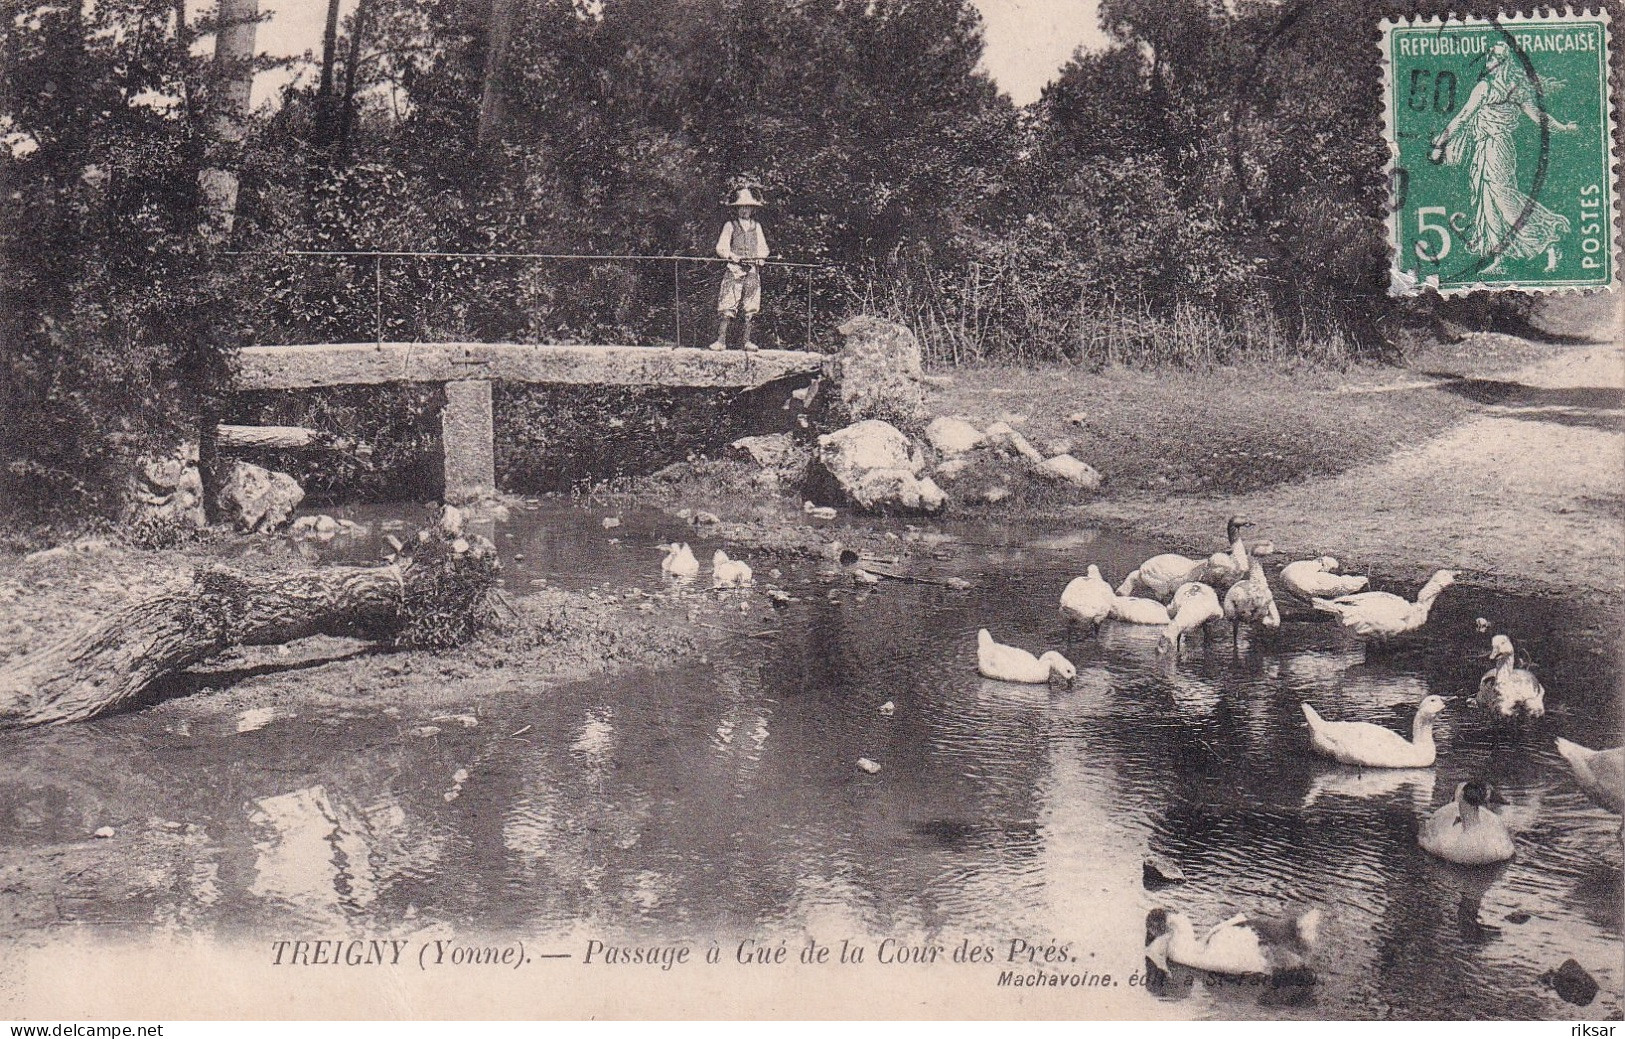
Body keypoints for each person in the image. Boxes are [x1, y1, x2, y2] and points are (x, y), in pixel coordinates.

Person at [1430, 40, 1577, 273]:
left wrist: (1563, 127)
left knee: (1503, 199)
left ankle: (1549, 238)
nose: (1490, 61)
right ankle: (1501, 259)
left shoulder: (1509, 89)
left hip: (1498, 147)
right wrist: (1441, 142)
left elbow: (1538, 116)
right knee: (1487, 202)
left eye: (1496, 57)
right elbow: (1463, 117)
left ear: (1505, 61)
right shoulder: (1483, 87)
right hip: (1482, 149)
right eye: (1489, 57)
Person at [710, 186, 770, 351]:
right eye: (742, 207)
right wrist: (732, 256)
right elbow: (721, 247)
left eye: (748, 207)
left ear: (752, 209)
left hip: (751, 270)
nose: (745, 210)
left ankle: (747, 341)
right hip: (735, 269)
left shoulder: (756, 227)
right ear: (737, 208)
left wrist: (761, 258)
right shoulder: (731, 225)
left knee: (751, 306)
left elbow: (763, 248)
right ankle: (721, 341)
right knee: (728, 303)